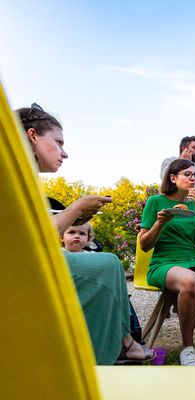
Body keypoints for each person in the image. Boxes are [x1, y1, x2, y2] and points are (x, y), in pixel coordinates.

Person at [16, 104, 154, 364]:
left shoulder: (23, 177)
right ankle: (108, 354)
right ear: (32, 136)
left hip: (23, 261)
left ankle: (116, 346)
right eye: (58, 142)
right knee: (107, 265)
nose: (64, 153)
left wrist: (75, 217)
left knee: (107, 264)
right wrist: (77, 207)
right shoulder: (12, 175)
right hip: (17, 267)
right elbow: (32, 237)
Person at [140, 159, 195, 366]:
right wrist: (159, 223)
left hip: (191, 258)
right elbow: (144, 245)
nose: (193, 178)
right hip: (164, 262)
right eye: (187, 174)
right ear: (173, 178)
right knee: (190, 280)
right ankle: (187, 348)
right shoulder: (155, 202)